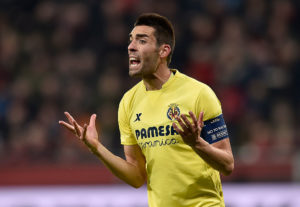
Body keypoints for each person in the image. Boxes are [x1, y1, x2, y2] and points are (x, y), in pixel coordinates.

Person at [59, 13, 234, 207]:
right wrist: (98, 149)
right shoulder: (128, 102)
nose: (131, 46)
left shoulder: (199, 93)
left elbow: (227, 165)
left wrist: (197, 143)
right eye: (131, 40)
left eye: (141, 41)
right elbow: (136, 177)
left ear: (163, 51)